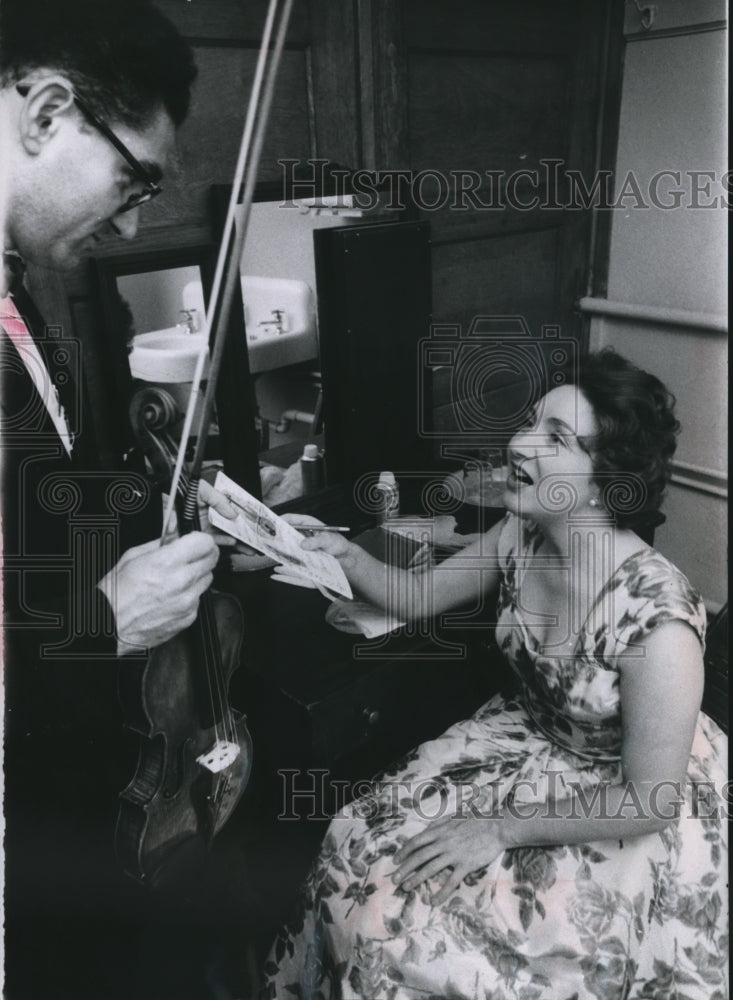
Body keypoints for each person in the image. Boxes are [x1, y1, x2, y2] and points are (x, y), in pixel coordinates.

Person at [262, 349, 728, 999]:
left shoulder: (659, 619)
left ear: (602, 477)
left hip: (618, 795)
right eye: (530, 423)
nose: (517, 444)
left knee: (458, 954)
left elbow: (651, 799)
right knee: (353, 843)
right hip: (522, 737)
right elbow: (417, 597)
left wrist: (498, 827)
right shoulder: (521, 533)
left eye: (555, 437)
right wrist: (342, 555)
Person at [0, 2, 249, 996]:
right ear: (48, 112)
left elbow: (37, 495)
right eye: (133, 179)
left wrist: (165, 513)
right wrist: (101, 621)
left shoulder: (21, 284)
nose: (137, 218)